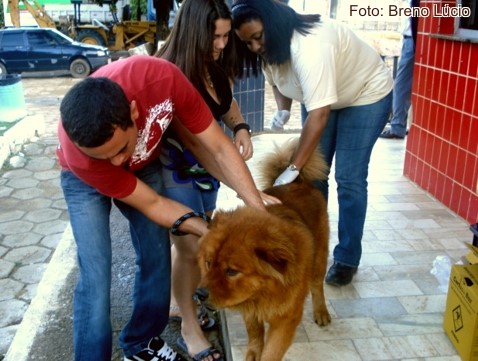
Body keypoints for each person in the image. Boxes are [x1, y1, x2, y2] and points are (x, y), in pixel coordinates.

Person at [57, 55, 278, 361]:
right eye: (104, 156)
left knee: (156, 254)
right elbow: (153, 203)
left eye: (120, 149)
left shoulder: (162, 79)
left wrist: (256, 207)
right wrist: (208, 230)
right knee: (96, 274)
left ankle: (141, 341)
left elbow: (216, 145)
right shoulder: (83, 156)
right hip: (83, 180)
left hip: (146, 164)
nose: (118, 162)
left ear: (134, 112)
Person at [231, 0, 393, 286]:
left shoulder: (310, 45)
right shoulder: (270, 47)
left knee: (349, 178)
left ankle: (346, 258)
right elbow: (278, 80)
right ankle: (313, 249)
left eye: (258, 38)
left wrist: (293, 167)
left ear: (274, 24)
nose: (255, 47)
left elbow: (319, 114)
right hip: (324, 98)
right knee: (315, 179)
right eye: (248, 42)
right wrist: (284, 108)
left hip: (365, 93)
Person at [155, 0, 252, 360]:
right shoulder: (171, 70)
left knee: (196, 240)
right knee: (189, 245)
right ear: (194, 32)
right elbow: (200, 143)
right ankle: (189, 327)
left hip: (205, 174)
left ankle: (177, 298)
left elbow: (226, 103)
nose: (223, 44)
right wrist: (250, 193)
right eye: (216, 36)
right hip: (174, 164)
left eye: (227, 36)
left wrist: (240, 126)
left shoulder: (215, 61)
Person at [380, 0, 420, 139]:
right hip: (409, 39)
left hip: (412, 41)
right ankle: (399, 126)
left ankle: (397, 127)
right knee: (404, 86)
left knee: (401, 86)